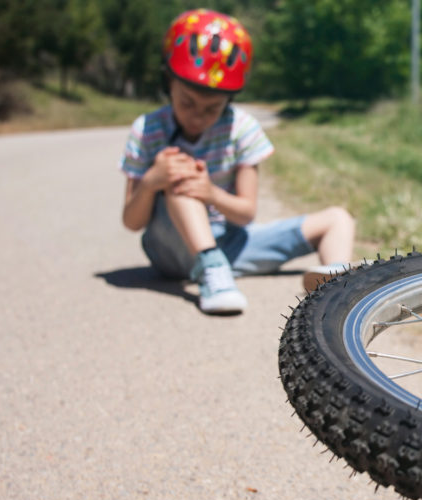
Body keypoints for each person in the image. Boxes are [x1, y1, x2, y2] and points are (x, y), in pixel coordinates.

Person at [119, 8, 355, 314]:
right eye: (187, 102)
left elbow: (245, 214)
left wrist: (212, 194)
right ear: (168, 83)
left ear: (229, 101)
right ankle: (211, 270)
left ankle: (339, 286)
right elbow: (131, 222)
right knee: (182, 176)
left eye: (212, 108)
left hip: (230, 244)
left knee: (338, 218)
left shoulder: (242, 128)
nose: (197, 116)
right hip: (170, 249)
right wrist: (152, 181)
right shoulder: (147, 129)